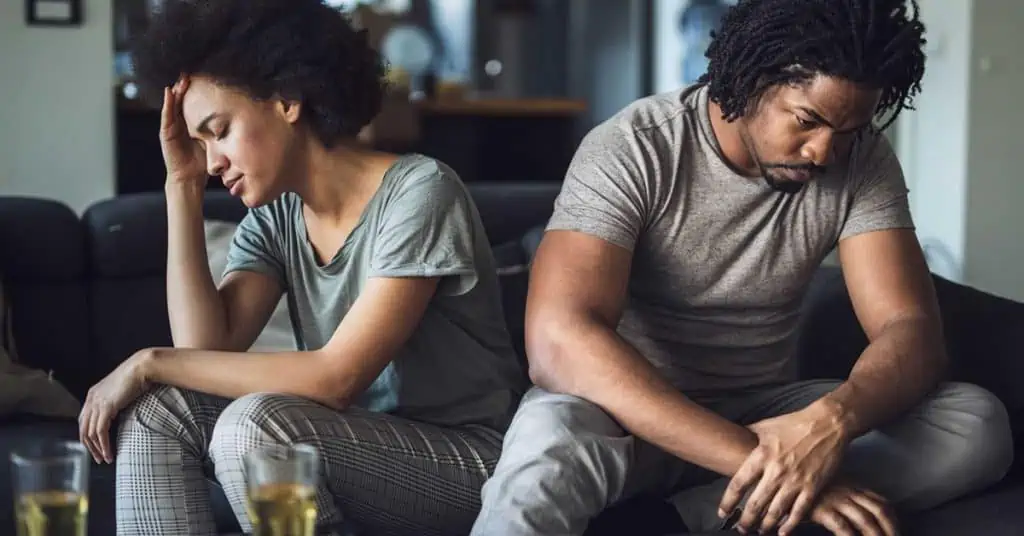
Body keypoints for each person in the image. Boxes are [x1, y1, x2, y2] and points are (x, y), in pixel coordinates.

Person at [471, 1, 1014, 535]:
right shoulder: (635, 146)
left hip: (764, 411)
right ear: (748, 80)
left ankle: (675, 522)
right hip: (624, 414)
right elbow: (557, 340)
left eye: (846, 132)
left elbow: (910, 330)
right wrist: (776, 464)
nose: (824, 153)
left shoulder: (862, 161)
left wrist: (831, 423)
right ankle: (777, 496)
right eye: (808, 121)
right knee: (546, 446)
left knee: (975, 424)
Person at [77, 0, 526, 535]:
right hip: (347, 443)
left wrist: (147, 360)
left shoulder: (421, 192)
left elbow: (337, 377)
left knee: (255, 427)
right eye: (200, 144)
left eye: (218, 131)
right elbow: (206, 351)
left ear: (286, 99)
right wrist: (183, 185)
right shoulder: (277, 216)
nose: (212, 159)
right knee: (159, 411)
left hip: (469, 462)